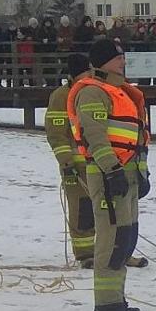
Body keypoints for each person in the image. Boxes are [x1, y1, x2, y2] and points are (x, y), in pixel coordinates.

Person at [67, 38, 152, 311]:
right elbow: (95, 136)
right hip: (107, 174)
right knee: (111, 240)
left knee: (125, 238)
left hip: (126, 172)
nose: (123, 62)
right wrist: (112, 170)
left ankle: (117, 297)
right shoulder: (92, 92)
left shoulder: (121, 92)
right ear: (104, 61)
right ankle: (106, 304)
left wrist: (141, 172)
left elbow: (135, 137)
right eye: (118, 58)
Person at [45, 53, 96, 266]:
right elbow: (56, 133)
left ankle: (108, 250)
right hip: (75, 166)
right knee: (82, 209)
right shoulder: (61, 96)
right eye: (87, 71)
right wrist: (66, 162)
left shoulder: (95, 92)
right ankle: (85, 253)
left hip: (98, 163)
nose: (91, 74)